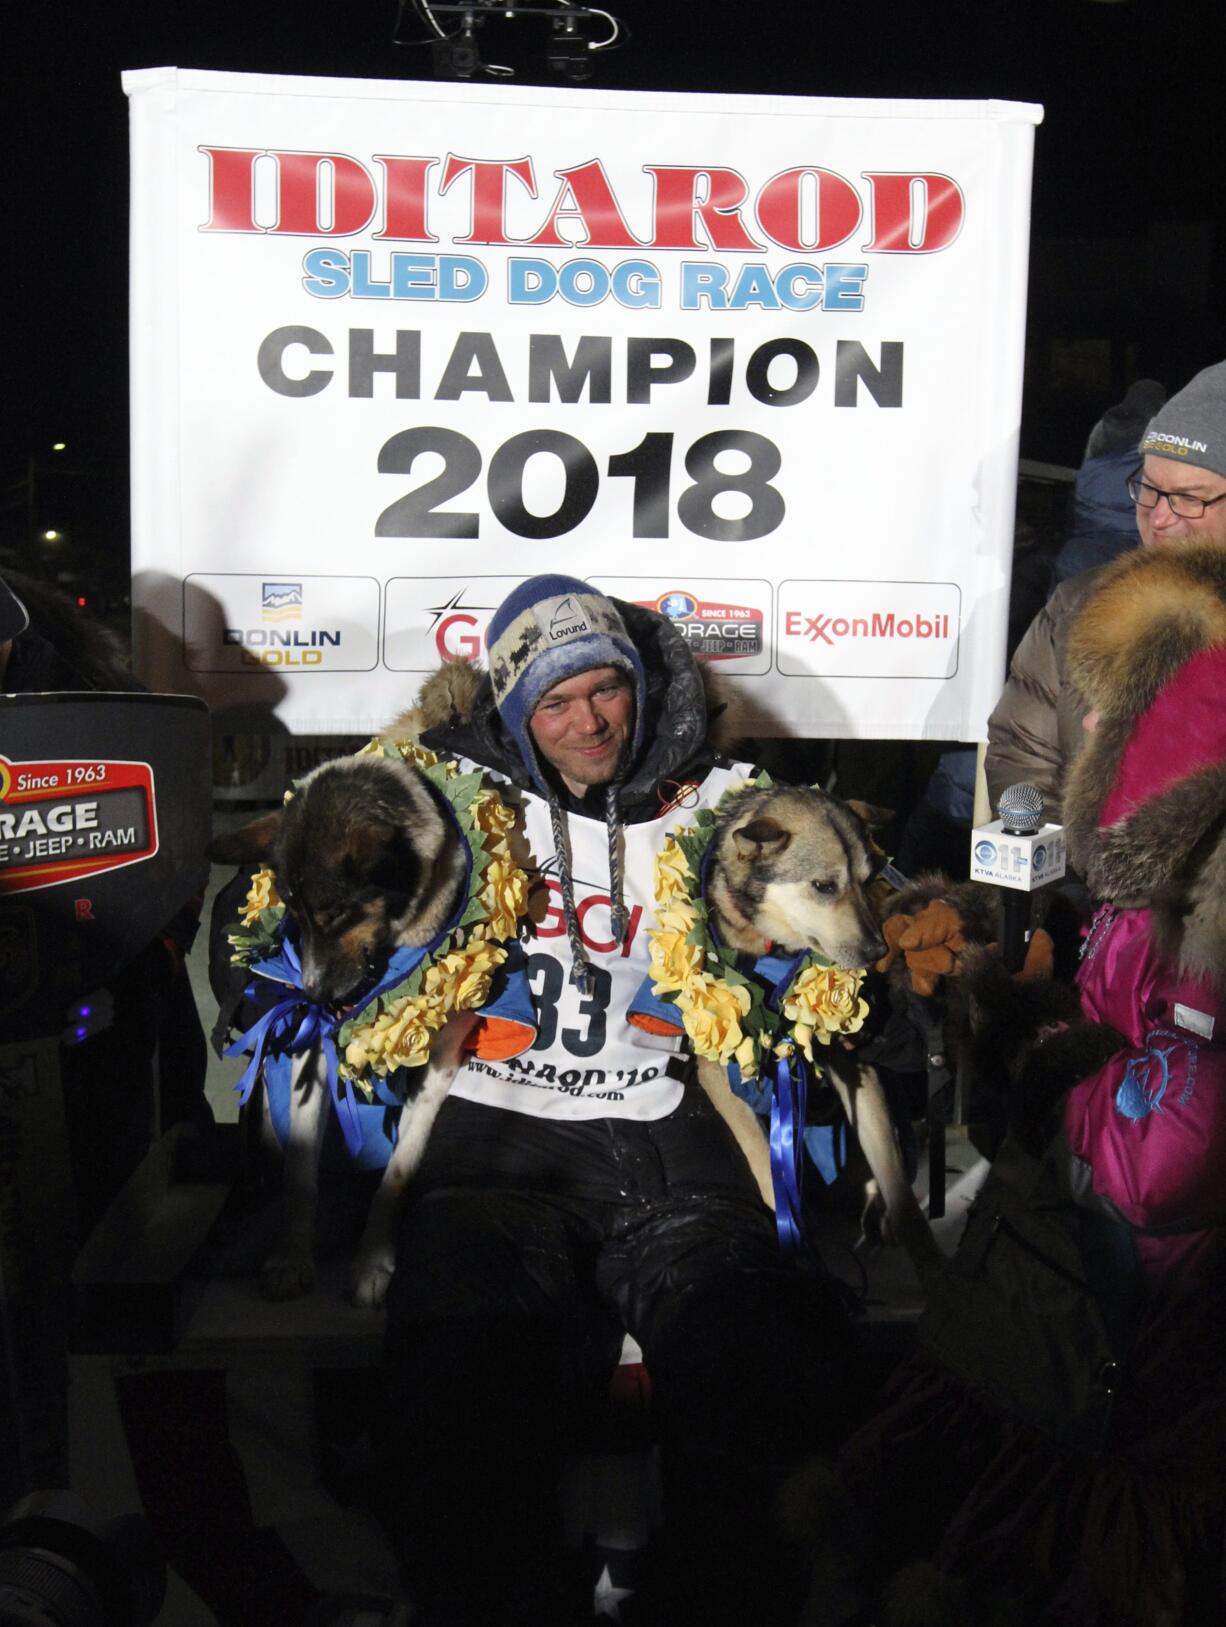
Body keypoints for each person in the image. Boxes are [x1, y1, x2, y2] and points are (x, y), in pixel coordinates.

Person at [376, 575, 861, 1627]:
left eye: (606, 689)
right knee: (458, 1377)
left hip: (667, 1119)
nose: (590, 720)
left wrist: (844, 958)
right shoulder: (448, 799)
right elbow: (324, 916)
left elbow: (834, 914)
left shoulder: (722, 801)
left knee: (755, 1353)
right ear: (513, 714)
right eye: (555, 703)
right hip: (500, 1129)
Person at [824, 538, 1226, 1627]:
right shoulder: (1147, 888)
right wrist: (992, 984)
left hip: (1146, 1352)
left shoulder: (1206, 908)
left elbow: (1165, 1163)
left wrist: (1028, 1057)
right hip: (1074, 1305)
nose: (1079, 734)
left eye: (1109, 719)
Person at [985, 357, 1226, 822]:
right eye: (1149, 489)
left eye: (1190, 498)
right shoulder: (1079, 604)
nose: (1159, 516)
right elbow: (1022, 753)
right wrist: (1080, 869)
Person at [1051, 378, 1166, 583]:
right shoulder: (1159, 434)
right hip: (1129, 537)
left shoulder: (1105, 425)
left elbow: (1086, 470)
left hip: (1088, 529)